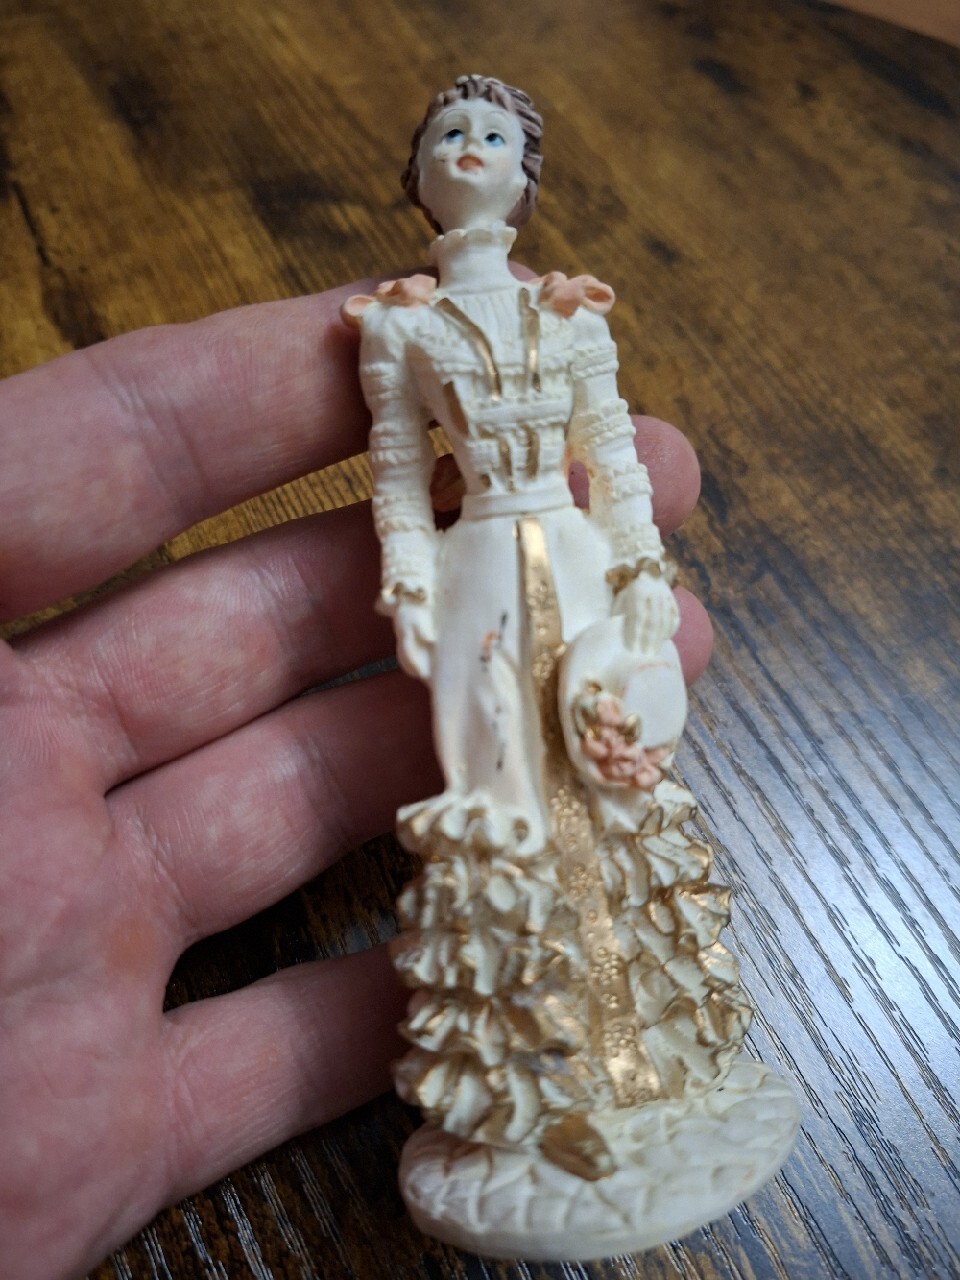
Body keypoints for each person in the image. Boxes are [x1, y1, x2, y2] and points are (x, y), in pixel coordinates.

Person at [0, 222, 708, 1280]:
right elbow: (395, 463)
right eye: (452, 141)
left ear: (520, 169)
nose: (472, 151)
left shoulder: (566, 313)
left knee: (600, 799)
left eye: (495, 141)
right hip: (475, 574)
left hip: (573, 558)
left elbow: (610, 447)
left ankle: (631, 1060)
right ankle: (532, 1089)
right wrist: (411, 582)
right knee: (497, 805)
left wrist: (640, 564)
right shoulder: (405, 325)